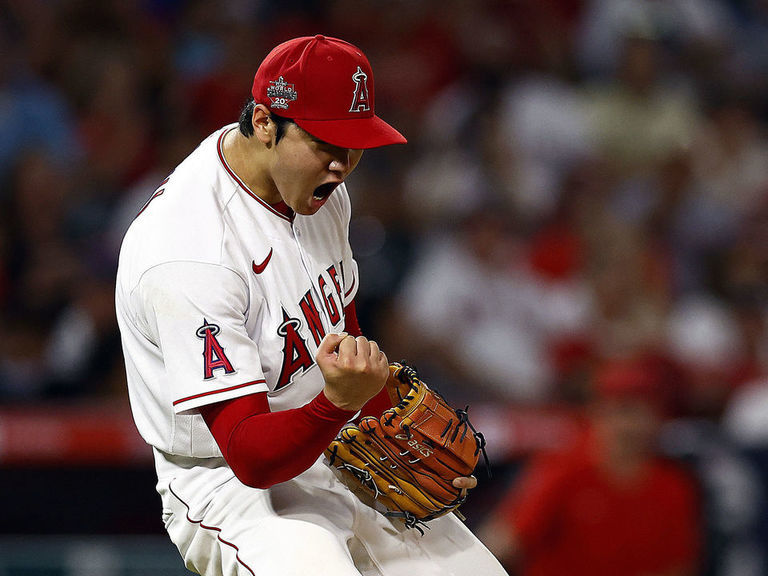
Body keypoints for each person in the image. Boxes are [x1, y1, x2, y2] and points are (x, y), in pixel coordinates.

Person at [115, 34, 507, 576]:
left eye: (355, 144)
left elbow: (339, 341)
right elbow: (250, 455)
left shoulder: (319, 191)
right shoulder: (190, 253)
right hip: (225, 476)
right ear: (263, 123)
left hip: (331, 439)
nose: (343, 164)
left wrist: (385, 414)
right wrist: (340, 405)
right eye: (326, 142)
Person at [478, 358, 700, 576]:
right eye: (624, 410)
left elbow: (678, 566)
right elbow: (505, 539)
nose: (634, 424)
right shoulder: (564, 467)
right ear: (598, 411)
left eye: (646, 411)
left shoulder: (672, 487)